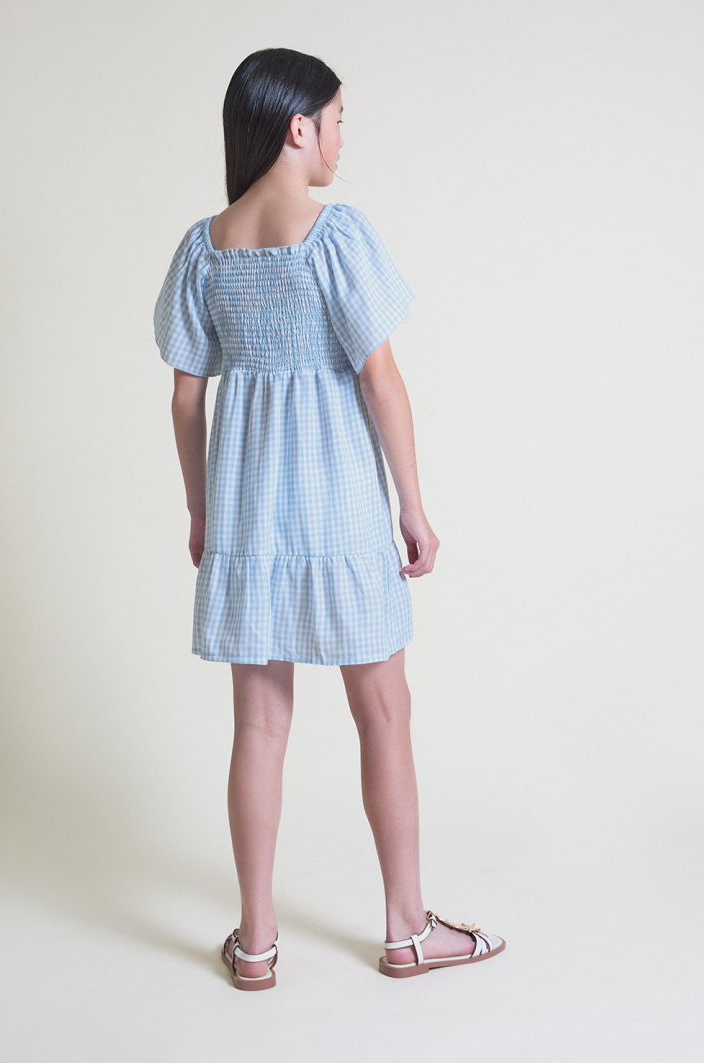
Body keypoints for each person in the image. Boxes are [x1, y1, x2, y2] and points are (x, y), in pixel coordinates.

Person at [154, 47, 505, 990]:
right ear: (297, 126)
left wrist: (200, 510)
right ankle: (406, 929)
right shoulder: (336, 235)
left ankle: (256, 942)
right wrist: (413, 506)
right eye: (338, 120)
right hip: (341, 507)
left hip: (247, 516)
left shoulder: (204, 248)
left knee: (259, 726)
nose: (343, 139)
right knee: (383, 711)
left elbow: (185, 399)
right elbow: (380, 378)